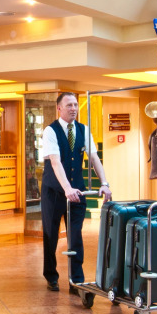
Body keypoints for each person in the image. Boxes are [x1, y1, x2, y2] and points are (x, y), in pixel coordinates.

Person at [41, 92, 111, 293]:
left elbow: (94, 158)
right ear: (59, 108)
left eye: (75, 105)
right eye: (69, 105)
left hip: (77, 193)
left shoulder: (83, 130)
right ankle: (51, 276)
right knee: (51, 235)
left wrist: (104, 183)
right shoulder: (50, 131)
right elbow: (55, 162)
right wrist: (66, 189)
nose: (73, 109)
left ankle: (76, 280)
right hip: (54, 192)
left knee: (75, 236)